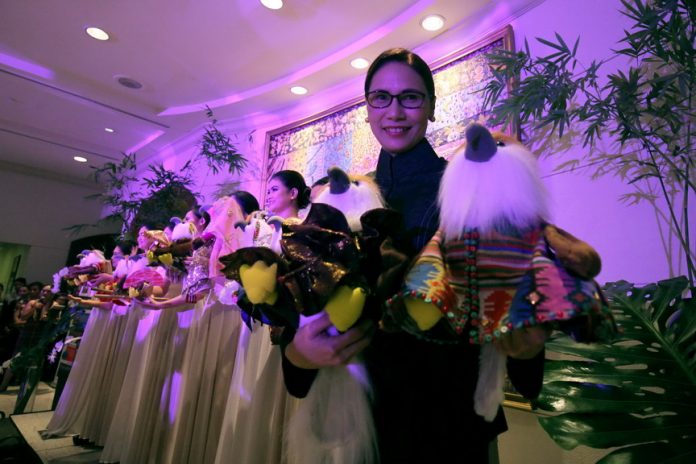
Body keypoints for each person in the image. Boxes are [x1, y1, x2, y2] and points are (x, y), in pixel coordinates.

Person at [281, 48, 548, 463]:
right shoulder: (341, 198)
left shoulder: (469, 187)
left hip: (452, 417)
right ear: (367, 109)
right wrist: (298, 354)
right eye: (381, 98)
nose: (395, 111)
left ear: (431, 107)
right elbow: (305, 313)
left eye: (410, 97)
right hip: (363, 415)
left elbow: (513, 317)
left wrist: (527, 349)